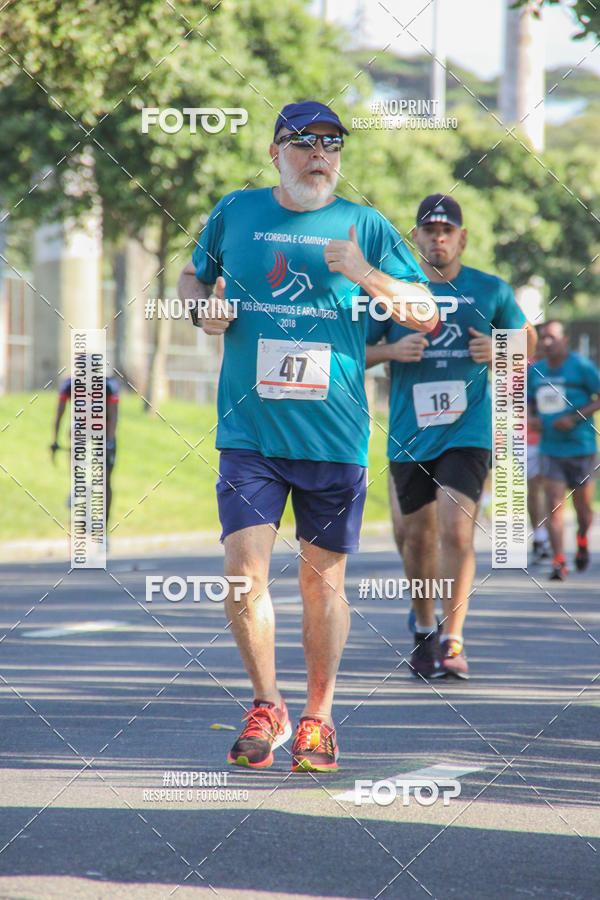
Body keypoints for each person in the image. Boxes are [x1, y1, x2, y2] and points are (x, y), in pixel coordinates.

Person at [178, 100, 438, 772]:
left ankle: (319, 717)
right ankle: (268, 705)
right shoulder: (236, 211)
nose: (320, 155)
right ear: (275, 153)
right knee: (244, 576)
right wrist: (202, 310)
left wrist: (364, 272)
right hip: (250, 432)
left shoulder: (365, 226)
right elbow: (191, 277)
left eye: (331, 144)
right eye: (304, 142)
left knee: (322, 585)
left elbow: (426, 313)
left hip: (333, 436)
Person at [366, 193, 535, 680]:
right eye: (430, 231)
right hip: (410, 432)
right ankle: (425, 629)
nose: (438, 239)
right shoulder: (392, 292)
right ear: (415, 237)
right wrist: (393, 351)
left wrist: (499, 348)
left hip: (468, 430)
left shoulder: (490, 289)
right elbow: (356, 350)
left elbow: (527, 342)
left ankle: (453, 638)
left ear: (462, 239)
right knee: (415, 537)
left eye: (447, 232)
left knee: (457, 529)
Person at [528, 320, 600, 580]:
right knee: (554, 504)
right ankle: (559, 561)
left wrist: (575, 417)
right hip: (550, 448)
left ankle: (582, 539)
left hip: (581, 447)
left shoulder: (581, 366)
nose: (546, 342)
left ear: (565, 340)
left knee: (583, 509)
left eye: (551, 337)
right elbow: (530, 402)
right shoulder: (536, 371)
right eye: (542, 338)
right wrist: (533, 418)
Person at [51, 372, 119, 530]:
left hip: (103, 431)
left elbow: (114, 414)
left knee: (105, 480)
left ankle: (104, 527)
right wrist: (55, 440)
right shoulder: (69, 384)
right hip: (81, 431)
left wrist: (109, 441)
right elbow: (59, 414)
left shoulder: (108, 385)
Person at [527, 333, 551, 564]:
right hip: (529, 438)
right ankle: (540, 536)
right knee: (535, 487)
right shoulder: (524, 368)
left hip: (561, 439)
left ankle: (553, 535)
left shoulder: (566, 367)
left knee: (554, 489)